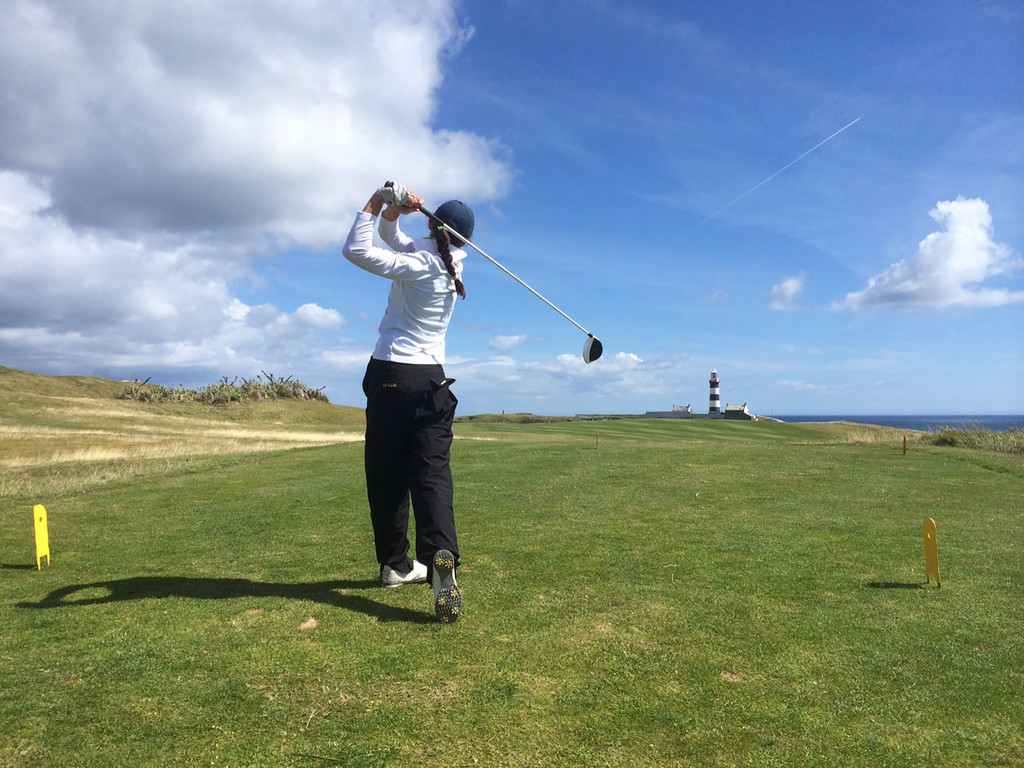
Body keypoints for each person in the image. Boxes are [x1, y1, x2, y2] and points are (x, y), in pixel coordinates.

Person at [341, 182, 473, 624]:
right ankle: (439, 555)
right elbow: (391, 238)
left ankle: (397, 564)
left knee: (387, 474)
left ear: (436, 227)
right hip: (433, 382)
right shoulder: (451, 263)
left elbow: (356, 251)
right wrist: (398, 212)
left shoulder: (421, 265)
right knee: (432, 473)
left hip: (392, 375)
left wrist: (378, 200)